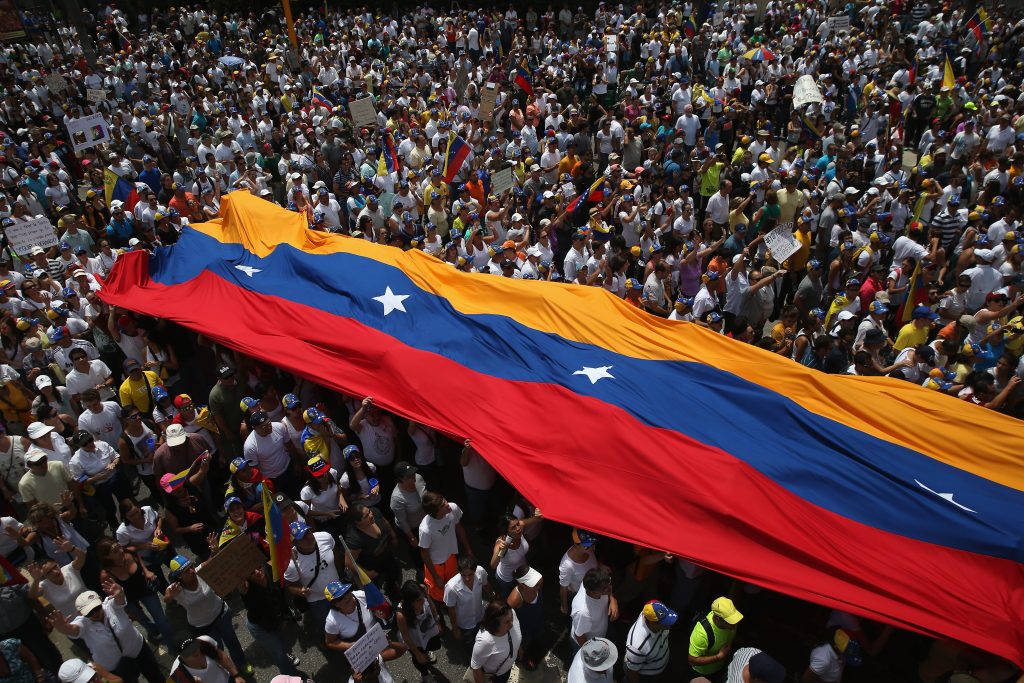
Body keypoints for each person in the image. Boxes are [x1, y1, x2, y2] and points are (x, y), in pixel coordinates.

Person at [49, 581, 165, 683]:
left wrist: (120, 593)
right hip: (115, 667)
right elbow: (72, 630)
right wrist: (63, 627)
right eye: (89, 613)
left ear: (100, 602)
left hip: (139, 651)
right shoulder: (83, 623)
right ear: (81, 614)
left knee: (157, 678)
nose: (95, 614)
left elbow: (119, 599)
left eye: (96, 608)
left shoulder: (111, 606)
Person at [163, 555, 253, 676]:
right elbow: (166, 598)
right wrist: (170, 596)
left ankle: (242, 664)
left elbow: (212, 561)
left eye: (191, 567)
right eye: (187, 571)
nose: (192, 571)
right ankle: (227, 672)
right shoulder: (176, 589)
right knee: (216, 650)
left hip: (221, 615)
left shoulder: (200, 572)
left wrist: (214, 550)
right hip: (203, 626)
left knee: (233, 642)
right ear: (179, 576)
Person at [239, 564, 301, 676]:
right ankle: (290, 676)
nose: (257, 572)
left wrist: (284, 616)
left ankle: (286, 654)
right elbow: (239, 584)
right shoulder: (246, 588)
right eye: (252, 573)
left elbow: (281, 595)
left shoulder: (270, 571)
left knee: (281, 642)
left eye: (258, 567)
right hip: (261, 628)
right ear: (247, 577)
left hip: (276, 620)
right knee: (278, 653)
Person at [283, 520, 345, 630]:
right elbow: (289, 586)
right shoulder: (292, 563)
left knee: (346, 616)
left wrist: (342, 574)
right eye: (302, 537)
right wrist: (300, 591)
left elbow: (336, 556)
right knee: (326, 625)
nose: (308, 537)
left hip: (338, 589)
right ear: (295, 543)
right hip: (318, 599)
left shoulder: (325, 537)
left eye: (307, 532)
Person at [418, 491, 471, 610]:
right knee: (438, 592)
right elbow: (424, 553)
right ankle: (441, 610)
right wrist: (436, 576)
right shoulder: (426, 529)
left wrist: (468, 549)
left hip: (451, 557)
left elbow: (459, 527)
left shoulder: (453, 508)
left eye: (444, 500)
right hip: (436, 565)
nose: (447, 504)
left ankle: (454, 605)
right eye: (442, 506)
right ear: (435, 513)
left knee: (454, 585)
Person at [394, 581, 442, 680]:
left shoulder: (423, 598)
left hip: (427, 632)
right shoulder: (401, 614)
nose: (423, 601)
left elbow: (431, 606)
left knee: (433, 645)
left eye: (422, 597)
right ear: (410, 601)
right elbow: (405, 636)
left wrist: (437, 622)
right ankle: (425, 674)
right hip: (415, 642)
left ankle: (426, 652)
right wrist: (417, 654)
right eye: (419, 600)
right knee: (420, 660)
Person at [688, 596, 743, 681]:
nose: (735, 624)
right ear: (717, 618)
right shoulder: (702, 633)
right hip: (703, 673)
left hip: (720, 667)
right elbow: (692, 660)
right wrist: (719, 657)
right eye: (730, 621)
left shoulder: (732, 624)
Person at [469, 601, 522, 683]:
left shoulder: (510, 614)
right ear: (495, 624)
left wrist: (518, 649)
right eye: (506, 622)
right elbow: (476, 668)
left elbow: (516, 636)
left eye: (511, 618)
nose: (511, 624)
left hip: (506, 670)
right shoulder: (485, 641)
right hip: (494, 677)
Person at [624, 600, 677, 682]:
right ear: (652, 623)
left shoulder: (649, 614)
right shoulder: (637, 646)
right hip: (647, 677)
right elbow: (633, 673)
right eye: (665, 622)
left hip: (660, 667)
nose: (670, 624)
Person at [443, 556, 491, 644]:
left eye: (470, 574)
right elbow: (451, 609)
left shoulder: (480, 572)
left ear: (475, 570)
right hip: (465, 624)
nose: (467, 578)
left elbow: (486, 585)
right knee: (469, 643)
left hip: (480, 616)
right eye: (463, 575)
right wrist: (455, 628)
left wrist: (494, 596)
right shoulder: (451, 588)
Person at [570, 567, 617, 654]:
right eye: (605, 588)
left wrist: (613, 600)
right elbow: (579, 635)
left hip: (600, 633)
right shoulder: (583, 612)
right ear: (593, 592)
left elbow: (608, 588)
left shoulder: (593, 583)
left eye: (609, 583)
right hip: (589, 643)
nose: (609, 588)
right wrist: (591, 652)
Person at [169, 636, 246, 683]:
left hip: (228, 679)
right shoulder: (176, 673)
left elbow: (221, 656)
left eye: (195, 647)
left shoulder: (204, 641)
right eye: (189, 652)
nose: (195, 652)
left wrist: (236, 675)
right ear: (180, 655)